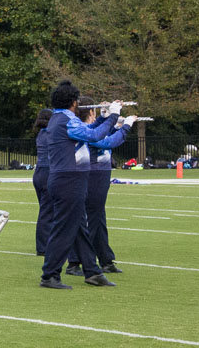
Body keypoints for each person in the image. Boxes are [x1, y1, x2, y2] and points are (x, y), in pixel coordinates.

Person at [39, 82, 134, 289]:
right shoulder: (66, 120)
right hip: (69, 180)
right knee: (64, 229)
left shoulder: (64, 119)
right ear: (74, 102)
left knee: (79, 228)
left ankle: (92, 271)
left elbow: (88, 129)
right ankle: (49, 275)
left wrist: (103, 116)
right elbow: (94, 136)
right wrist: (113, 117)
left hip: (69, 180)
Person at [65, 101, 130, 277]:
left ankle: (105, 259)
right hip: (93, 174)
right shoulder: (86, 131)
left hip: (100, 174)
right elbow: (107, 142)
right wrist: (126, 127)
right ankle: (76, 261)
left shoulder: (91, 128)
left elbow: (106, 135)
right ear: (90, 113)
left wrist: (115, 124)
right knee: (90, 219)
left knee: (97, 218)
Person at [31, 108, 54, 255]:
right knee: (47, 212)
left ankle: (46, 243)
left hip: (39, 172)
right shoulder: (50, 134)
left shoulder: (40, 134)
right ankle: (43, 247)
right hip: (48, 172)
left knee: (45, 210)